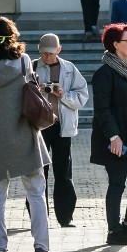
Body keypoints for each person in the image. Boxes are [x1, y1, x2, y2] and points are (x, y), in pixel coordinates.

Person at [0, 16, 55, 252]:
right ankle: (42, 249)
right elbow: (32, 90)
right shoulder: (24, 60)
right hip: (24, 132)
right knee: (36, 193)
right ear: (12, 35)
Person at [90, 23, 127, 246]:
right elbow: (102, 109)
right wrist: (114, 136)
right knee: (117, 183)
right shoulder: (104, 74)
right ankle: (114, 231)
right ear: (115, 44)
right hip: (115, 139)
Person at [33, 33, 89, 227]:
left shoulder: (69, 68)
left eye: (50, 53)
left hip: (62, 127)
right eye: (43, 53)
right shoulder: (32, 66)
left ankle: (65, 217)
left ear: (58, 50)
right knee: (39, 172)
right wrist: (36, 90)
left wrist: (63, 95)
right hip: (39, 127)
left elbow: (82, 96)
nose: (46, 57)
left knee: (63, 172)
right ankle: (38, 216)